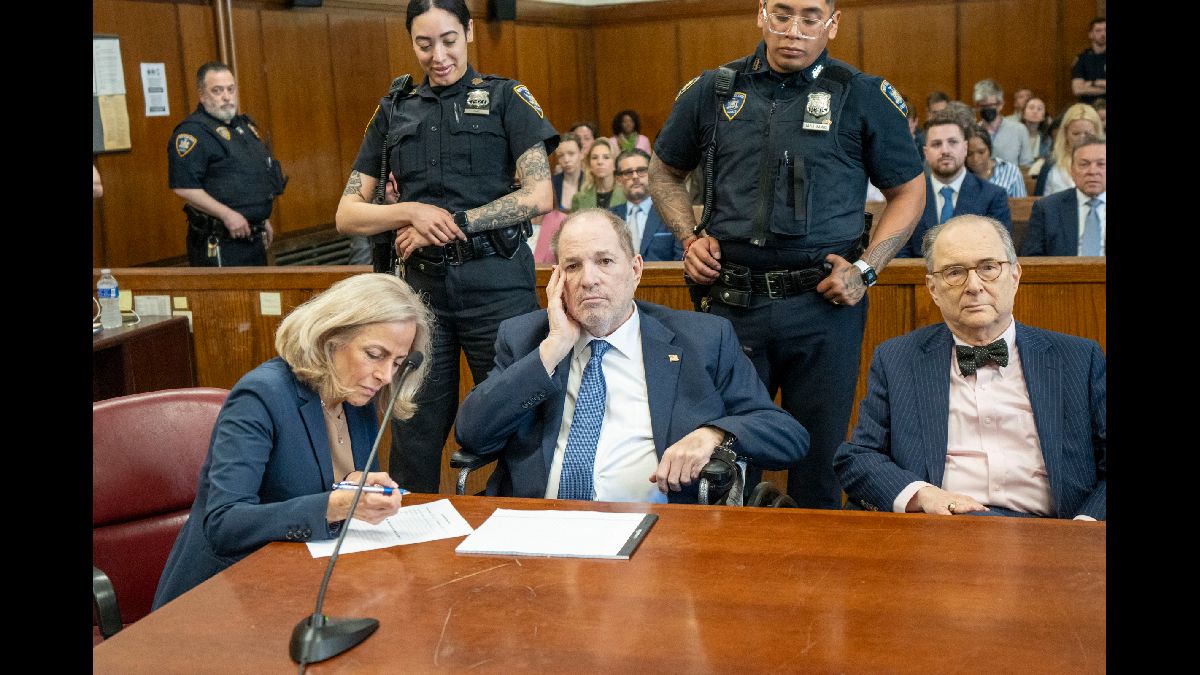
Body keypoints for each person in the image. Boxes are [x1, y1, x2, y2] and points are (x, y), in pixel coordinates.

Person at [649, 0, 926, 509]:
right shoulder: (715, 90)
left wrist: (867, 269)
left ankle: (816, 563)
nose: (793, 30)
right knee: (724, 460)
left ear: (832, 24)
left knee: (820, 464)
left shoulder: (861, 94)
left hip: (823, 308)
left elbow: (908, 191)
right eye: (781, 15)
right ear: (761, 15)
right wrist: (689, 237)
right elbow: (664, 172)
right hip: (730, 306)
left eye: (809, 17)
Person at [335, 0, 559, 493]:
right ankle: (410, 527)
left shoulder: (506, 98)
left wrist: (455, 222)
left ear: (469, 32)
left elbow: (539, 195)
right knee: (413, 431)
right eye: (424, 44)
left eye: (449, 40)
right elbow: (347, 213)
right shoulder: (394, 109)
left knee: (518, 421)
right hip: (423, 295)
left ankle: (522, 521)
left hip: (498, 285)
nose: (438, 56)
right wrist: (411, 212)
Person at [455, 209, 809, 504]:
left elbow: (787, 435)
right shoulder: (526, 339)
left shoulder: (703, 339)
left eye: (605, 261)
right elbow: (473, 434)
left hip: (660, 533)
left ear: (636, 270)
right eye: (573, 266)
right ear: (557, 279)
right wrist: (553, 348)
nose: (589, 279)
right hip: (539, 527)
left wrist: (715, 434)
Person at [152, 273, 435, 609]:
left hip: (303, 585)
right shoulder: (261, 396)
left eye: (398, 363)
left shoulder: (358, 397)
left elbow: (323, 486)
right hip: (223, 598)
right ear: (331, 337)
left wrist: (353, 485)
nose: (386, 375)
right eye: (375, 354)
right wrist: (335, 505)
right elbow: (224, 524)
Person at [834, 215, 1106, 520]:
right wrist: (922, 495)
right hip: (937, 528)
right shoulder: (897, 359)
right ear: (933, 288)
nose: (974, 286)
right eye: (955, 272)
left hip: (1051, 532)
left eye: (988, 268)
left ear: (1015, 276)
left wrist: (1084, 530)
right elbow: (859, 457)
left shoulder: (1079, 359)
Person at [168, 61, 286, 267]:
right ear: (202, 95)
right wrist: (227, 215)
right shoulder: (193, 132)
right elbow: (184, 187)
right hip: (220, 241)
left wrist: (260, 219)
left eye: (231, 89)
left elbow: (247, 178)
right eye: (217, 90)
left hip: (252, 237)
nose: (226, 96)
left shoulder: (242, 127)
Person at [897, 115, 1010, 260]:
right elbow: (900, 253)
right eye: (936, 144)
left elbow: (998, 252)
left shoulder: (993, 196)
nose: (945, 150)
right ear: (926, 152)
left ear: (965, 147)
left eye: (952, 142)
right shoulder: (909, 196)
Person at [1020, 137, 1105, 256]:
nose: (1092, 171)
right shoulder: (1048, 208)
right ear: (1072, 171)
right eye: (1084, 164)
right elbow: (1031, 258)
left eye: (1101, 164)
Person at [610, 148, 683, 261]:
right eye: (628, 172)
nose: (635, 176)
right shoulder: (609, 217)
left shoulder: (673, 214)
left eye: (641, 170)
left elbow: (681, 260)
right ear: (618, 180)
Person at [1036, 103, 1103, 196]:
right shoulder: (1051, 166)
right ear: (1065, 134)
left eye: (1087, 134)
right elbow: (1040, 202)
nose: (1082, 139)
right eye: (1076, 133)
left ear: (1097, 134)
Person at [972, 78, 1032, 169]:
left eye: (990, 105)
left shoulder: (1019, 130)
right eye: (982, 106)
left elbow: (1026, 166)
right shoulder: (972, 132)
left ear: (1000, 105)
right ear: (977, 107)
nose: (986, 109)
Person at [966, 126, 1027, 198]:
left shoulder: (1011, 171)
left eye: (981, 152)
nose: (975, 159)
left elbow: (1021, 203)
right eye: (969, 154)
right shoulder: (960, 174)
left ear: (989, 150)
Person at [571, 138, 626, 211]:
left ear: (615, 164)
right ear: (589, 164)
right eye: (594, 158)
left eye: (606, 157)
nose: (600, 162)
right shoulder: (579, 198)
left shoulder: (626, 195)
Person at [1070, 18, 1106, 105]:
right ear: (1090, 35)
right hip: (1089, 107)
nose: (1103, 34)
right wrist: (1100, 84)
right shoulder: (1082, 59)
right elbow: (1077, 89)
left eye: (1105, 30)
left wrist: (1090, 83)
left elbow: (1083, 87)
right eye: (1098, 31)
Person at [1020, 96, 1054, 166]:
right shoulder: (1014, 136)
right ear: (1023, 114)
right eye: (1031, 108)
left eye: (1039, 109)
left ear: (1044, 116)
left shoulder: (1047, 140)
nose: (1035, 111)